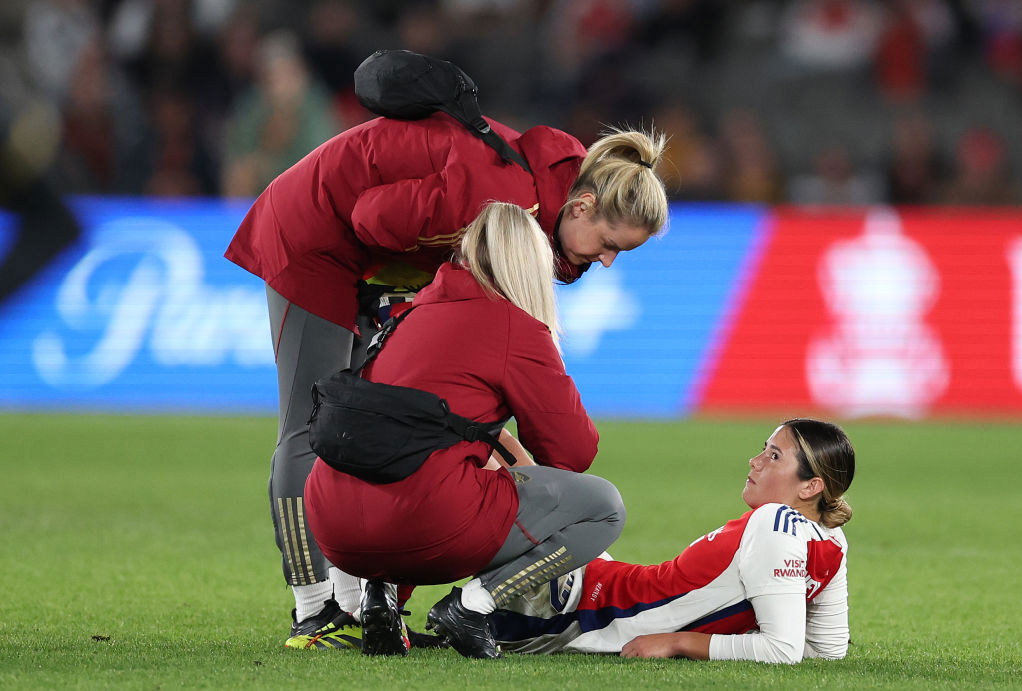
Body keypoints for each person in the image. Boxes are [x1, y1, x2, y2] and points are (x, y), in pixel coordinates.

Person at [224, 83, 669, 649]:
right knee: (312, 429)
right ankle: (315, 610)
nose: (606, 261)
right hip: (314, 240)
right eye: (610, 244)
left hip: (371, 265)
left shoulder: (536, 197)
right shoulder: (502, 198)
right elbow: (370, 217)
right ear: (579, 206)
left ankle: (361, 600)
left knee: (380, 423)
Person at [304, 202, 627, 659]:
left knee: (434, 462)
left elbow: (410, 438)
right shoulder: (514, 324)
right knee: (603, 507)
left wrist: (489, 443)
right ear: (532, 265)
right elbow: (572, 451)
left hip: (334, 527)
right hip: (422, 523)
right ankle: (473, 605)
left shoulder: (411, 315)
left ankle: (383, 598)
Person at [490, 418, 855, 664]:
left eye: (774, 456)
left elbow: (784, 650)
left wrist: (678, 641)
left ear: (811, 486)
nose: (755, 460)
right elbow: (827, 649)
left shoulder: (775, 523)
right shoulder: (832, 542)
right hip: (600, 583)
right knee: (525, 482)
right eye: (764, 449)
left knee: (496, 477)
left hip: (576, 611)